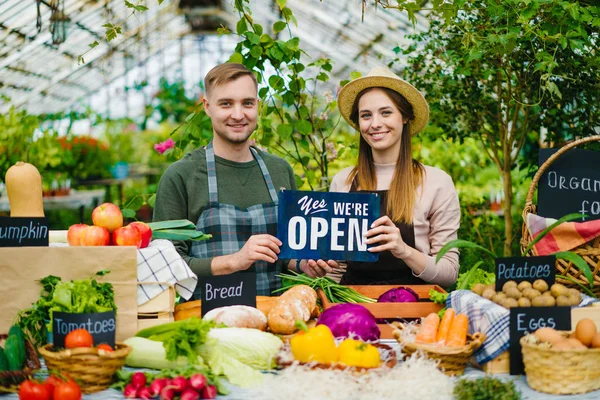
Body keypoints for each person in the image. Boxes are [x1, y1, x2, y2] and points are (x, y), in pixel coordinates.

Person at [153, 63, 333, 297]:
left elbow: (287, 253)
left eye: (247, 103)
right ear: (207, 107)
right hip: (207, 320)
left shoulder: (280, 170)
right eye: (226, 103)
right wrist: (234, 261)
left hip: (276, 318)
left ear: (257, 106)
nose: (238, 115)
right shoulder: (181, 176)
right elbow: (164, 266)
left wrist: (302, 264)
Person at [329, 67, 460, 287]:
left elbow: (449, 273)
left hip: (415, 311)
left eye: (386, 112)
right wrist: (318, 273)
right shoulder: (342, 183)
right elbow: (338, 270)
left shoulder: (437, 183)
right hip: (354, 307)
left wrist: (404, 250)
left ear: (405, 116)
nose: (375, 124)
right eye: (366, 115)